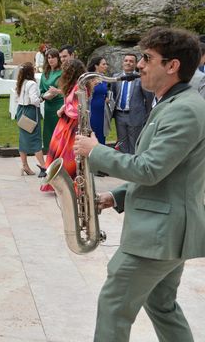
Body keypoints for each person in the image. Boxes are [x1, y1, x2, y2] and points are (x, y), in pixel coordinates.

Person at [74, 27, 205, 342]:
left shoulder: (184, 110)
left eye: (148, 58)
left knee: (113, 304)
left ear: (172, 66)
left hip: (158, 233)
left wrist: (96, 151)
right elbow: (172, 173)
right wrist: (116, 196)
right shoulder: (174, 103)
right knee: (162, 305)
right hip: (168, 229)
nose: (140, 65)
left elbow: (149, 170)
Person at [42, 59, 86, 192]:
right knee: (58, 153)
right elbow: (70, 103)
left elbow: (78, 109)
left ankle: (70, 185)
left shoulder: (80, 87)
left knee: (69, 157)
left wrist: (64, 110)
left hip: (72, 126)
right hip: (65, 124)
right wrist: (63, 107)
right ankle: (58, 184)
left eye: (65, 70)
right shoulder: (72, 86)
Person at [113, 53, 153, 154]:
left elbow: (149, 99)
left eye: (131, 61)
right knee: (122, 143)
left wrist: (146, 115)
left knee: (134, 143)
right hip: (119, 115)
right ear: (122, 63)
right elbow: (113, 95)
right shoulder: (116, 77)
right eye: (126, 60)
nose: (128, 63)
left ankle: (133, 164)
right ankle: (123, 165)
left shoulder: (140, 78)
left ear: (135, 64)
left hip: (135, 116)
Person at [15, 63, 46, 177]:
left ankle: (25, 166)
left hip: (21, 111)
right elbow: (34, 100)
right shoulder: (32, 83)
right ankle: (43, 166)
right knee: (35, 139)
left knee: (23, 139)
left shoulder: (20, 83)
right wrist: (42, 98)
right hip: (30, 111)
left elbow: (16, 99)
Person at [39, 48, 64, 153]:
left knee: (59, 132)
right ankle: (50, 157)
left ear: (58, 58)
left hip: (59, 105)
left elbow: (67, 90)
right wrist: (41, 96)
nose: (51, 60)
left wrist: (57, 91)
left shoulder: (62, 72)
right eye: (49, 58)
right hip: (48, 106)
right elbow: (41, 89)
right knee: (48, 132)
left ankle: (60, 156)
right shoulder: (45, 73)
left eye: (53, 57)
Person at [87, 56, 110, 145]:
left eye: (106, 64)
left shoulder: (104, 78)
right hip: (92, 110)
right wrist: (92, 86)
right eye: (103, 64)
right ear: (96, 66)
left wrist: (106, 98)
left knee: (101, 133)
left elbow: (104, 92)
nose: (106, 66)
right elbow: (85, 94)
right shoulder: (89, 78)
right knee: (93, 133)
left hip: (102, 111)